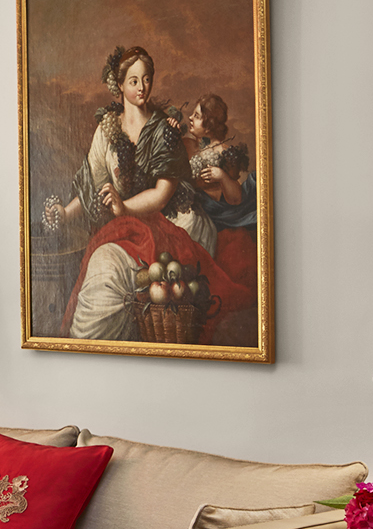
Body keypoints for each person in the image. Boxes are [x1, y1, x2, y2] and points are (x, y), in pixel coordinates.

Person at [44, 47, 243, 340]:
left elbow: (162, 194)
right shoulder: (106, 130)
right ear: (119, 85)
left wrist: (124, 208)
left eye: (147, 79)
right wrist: (64, 213)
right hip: (123, 228)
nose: (142, 87)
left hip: (167, 225)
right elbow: (94, 187)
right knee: (103, 270)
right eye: (134, 81)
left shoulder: (165, 130)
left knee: (120, 271)